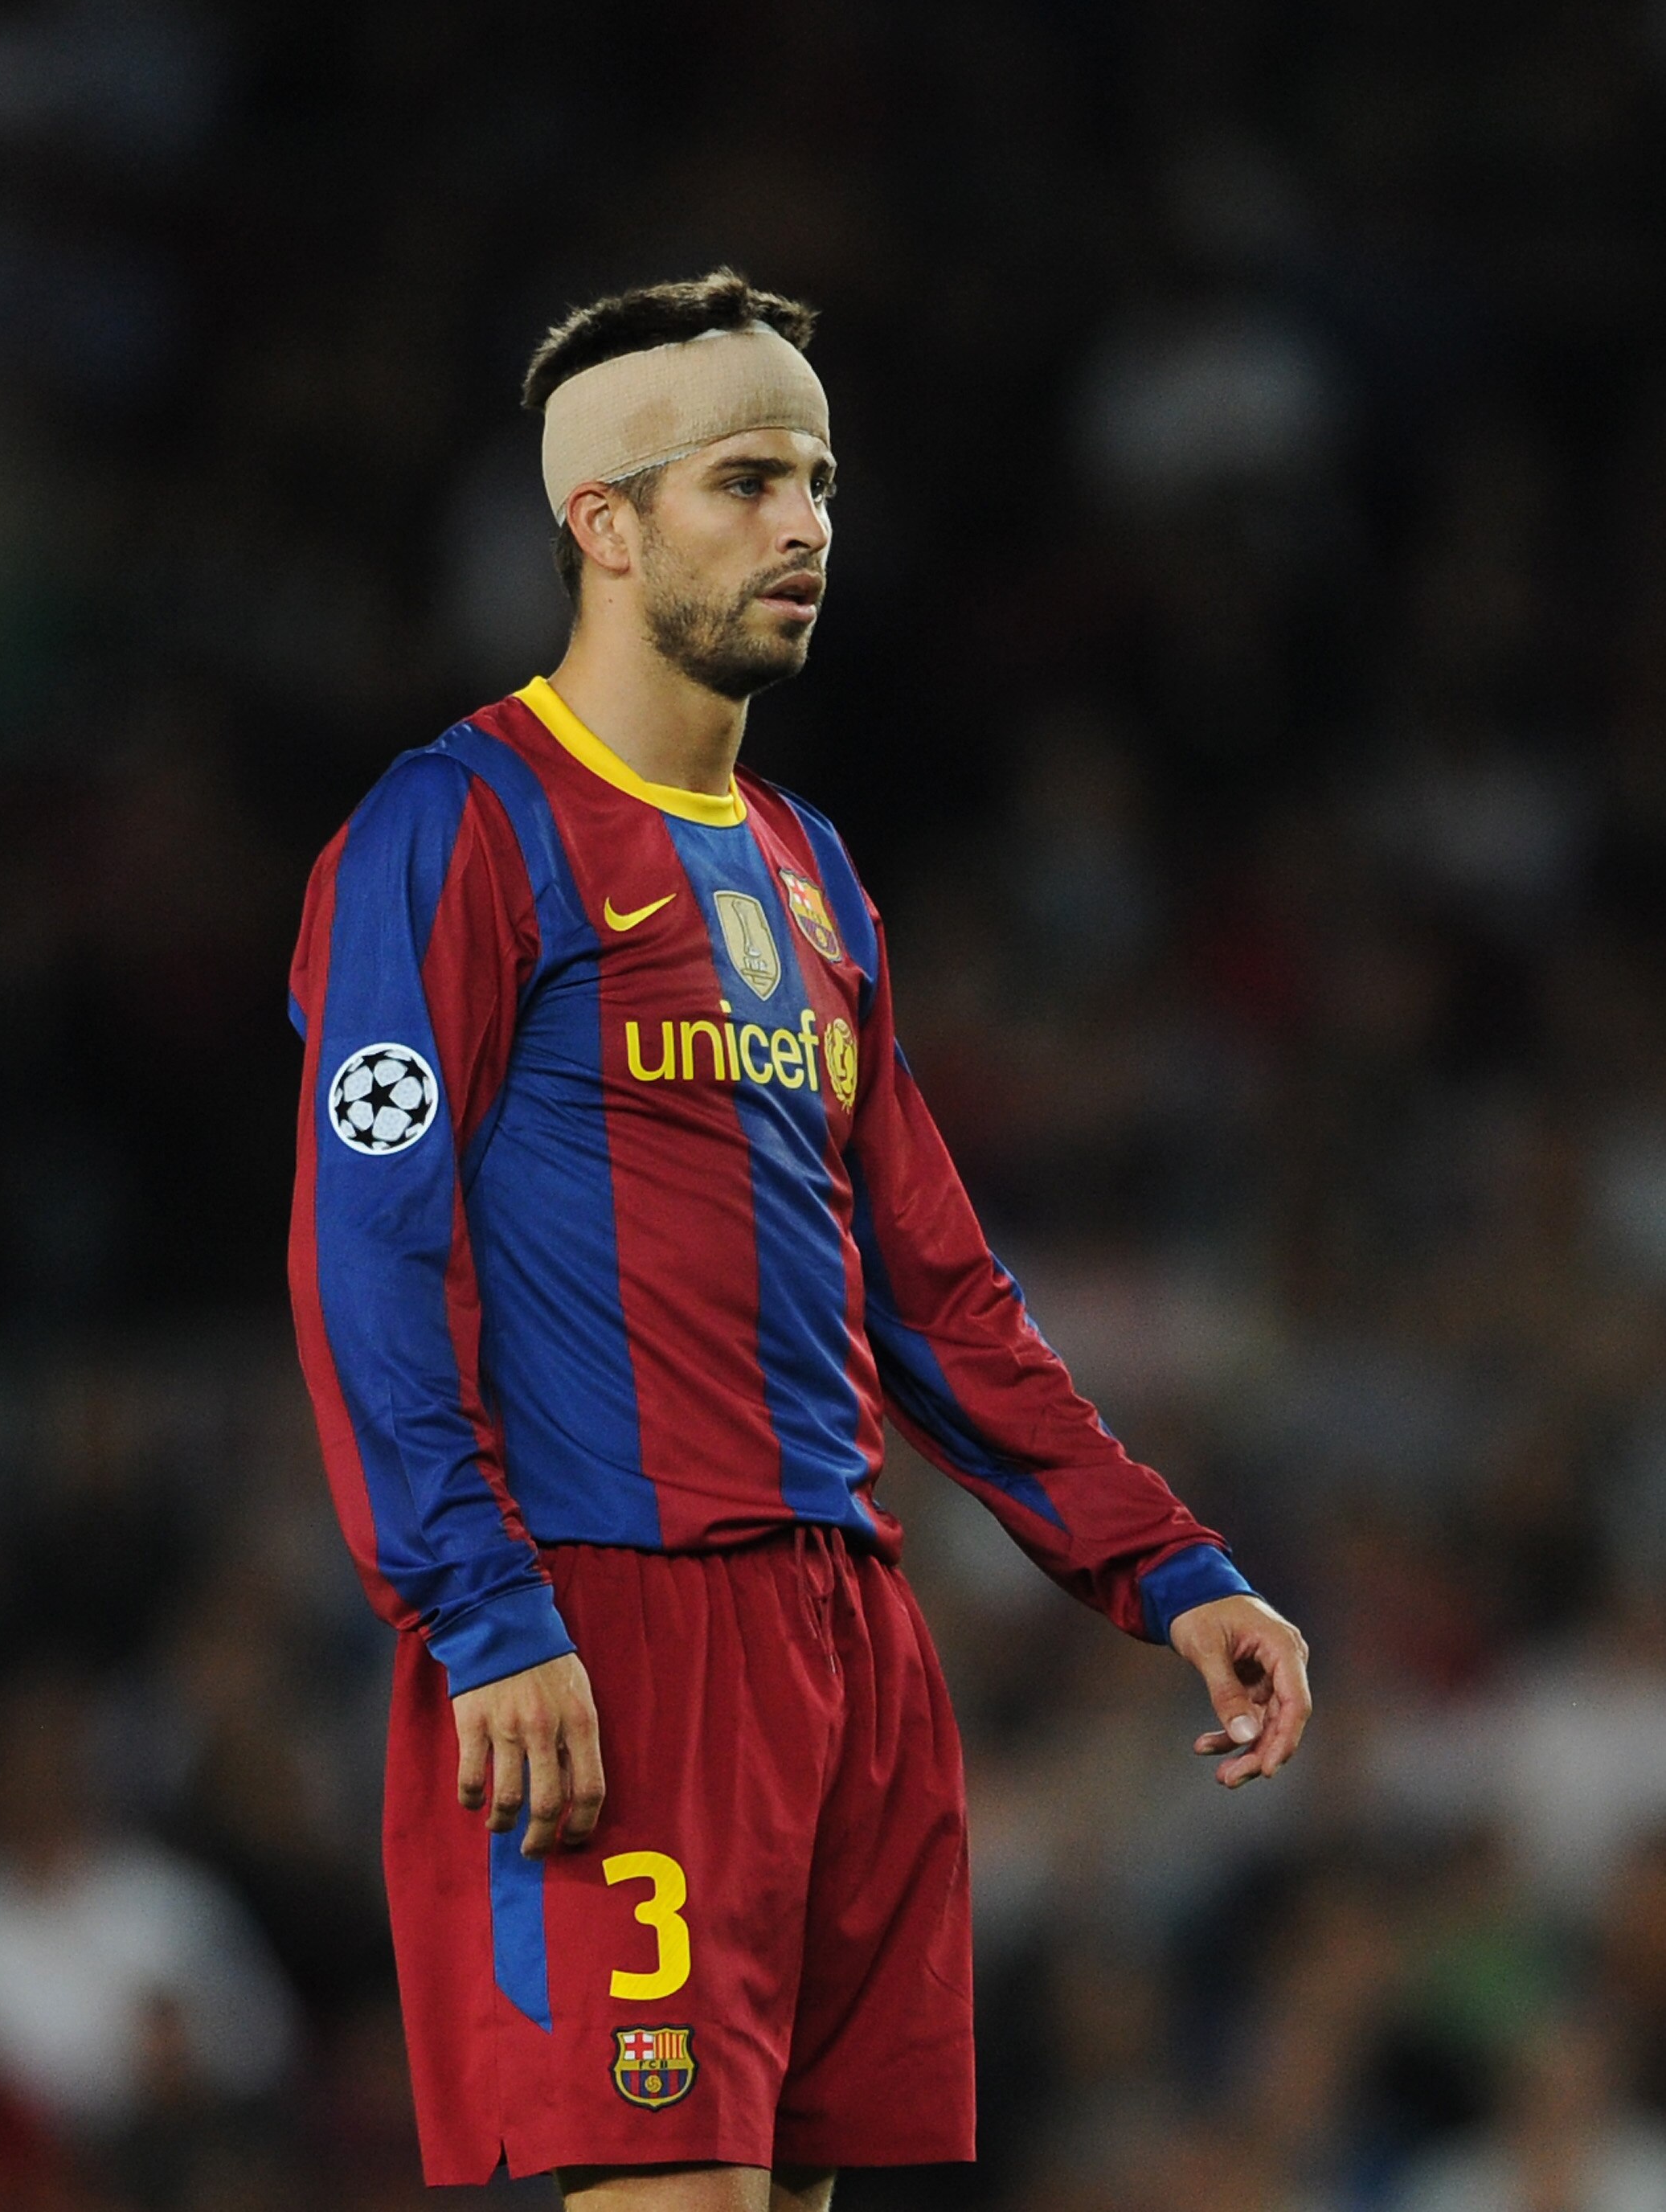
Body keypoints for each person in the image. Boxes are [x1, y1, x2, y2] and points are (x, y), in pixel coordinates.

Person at [287, 268, 1312, 2211]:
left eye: (820, 480)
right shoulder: (458, 826)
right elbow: (366, 1255)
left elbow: (932, 1289)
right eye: (747, 479)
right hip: (612, 1618)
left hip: (850, 1634)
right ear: (603, 520)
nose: (807, 527)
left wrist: (1169, 1566)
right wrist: (483, 1606)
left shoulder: (808, 869)